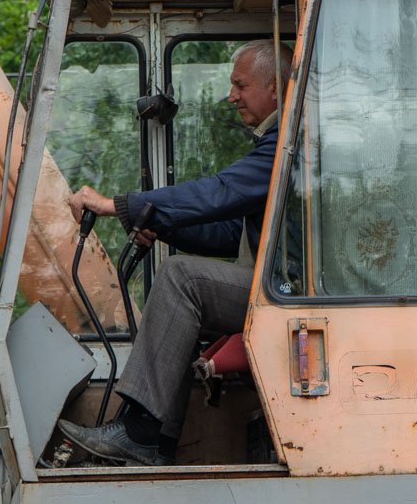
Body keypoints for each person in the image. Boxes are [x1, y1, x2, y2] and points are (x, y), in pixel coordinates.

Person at [58, 39, 293, 466]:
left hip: (288, 293)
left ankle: (142, 434)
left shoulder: (289, 140)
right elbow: (231, 234)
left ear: (275, 87)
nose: (231, 95)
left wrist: (120, 205)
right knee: (182, 276)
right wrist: (159, 222)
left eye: (240, 84)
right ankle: (151, 438)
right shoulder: (279, 140)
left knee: (182, 278)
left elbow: (221, 192)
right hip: (276, 287)